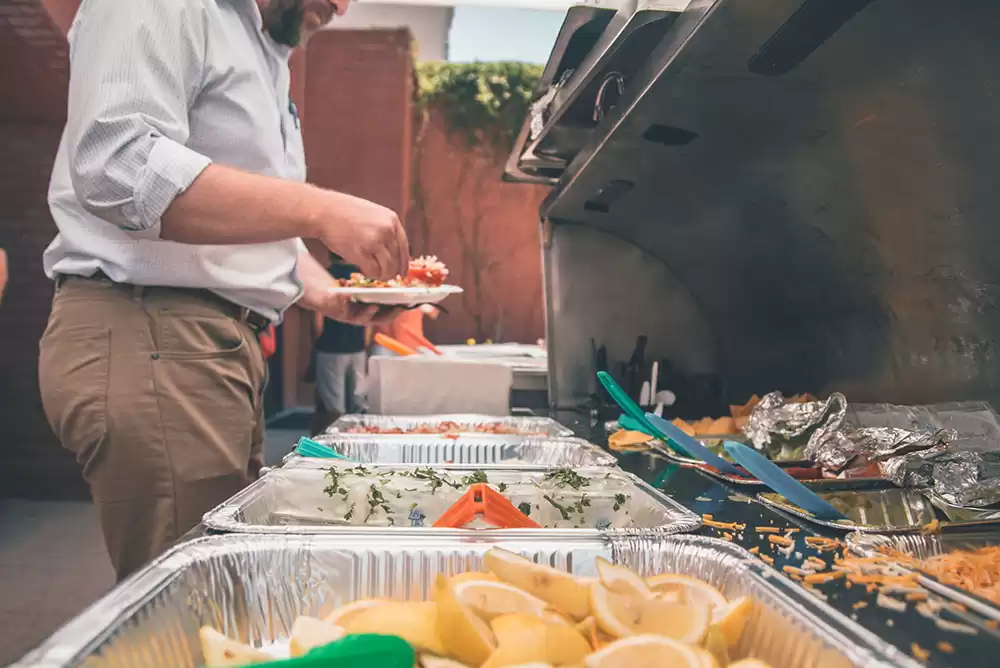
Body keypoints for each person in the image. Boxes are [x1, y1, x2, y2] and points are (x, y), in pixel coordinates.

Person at [37, 0, 408, 581]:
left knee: (224, 588)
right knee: (193, 601)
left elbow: (249, 231)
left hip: (202, 348)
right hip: (153, 331)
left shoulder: (262, 45)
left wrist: (328, 295)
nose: (341, 6)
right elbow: (118, 165)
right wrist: (322, 208)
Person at [310, 255, 369, 434]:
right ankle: (357, 440)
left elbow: (318, 317)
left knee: (333, 404)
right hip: (357, 346)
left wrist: (318, 340)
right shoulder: (361, 278)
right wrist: (364, 341)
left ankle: (330, 443)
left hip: (331, 346)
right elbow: (369, 317)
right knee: (358, 400)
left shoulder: (325, 277)